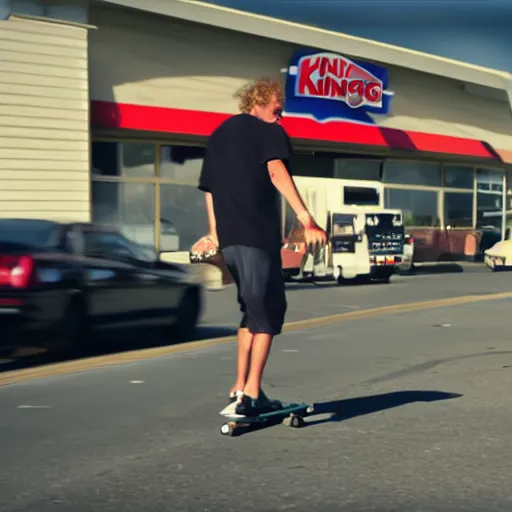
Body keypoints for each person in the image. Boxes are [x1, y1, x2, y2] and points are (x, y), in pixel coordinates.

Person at [197, 77, 327, 416]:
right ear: (258, 103)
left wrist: (214, 233)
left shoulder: (219, 135)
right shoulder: (267, 131)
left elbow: (210, 190)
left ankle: (240, 386)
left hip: (232, 242)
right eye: (277, 111)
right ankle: (252, 392)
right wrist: (306, 219)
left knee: (250, 312)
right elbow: (276, 170)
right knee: (268, 312)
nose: (280, 118)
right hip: (256, 237)